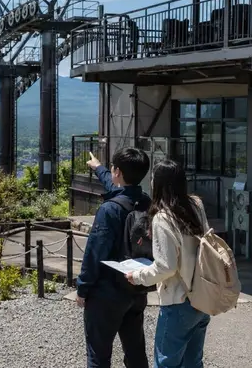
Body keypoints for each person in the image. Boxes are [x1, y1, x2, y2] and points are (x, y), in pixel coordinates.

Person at [126, 159, 211, 368]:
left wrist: (137, 276)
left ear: (158, 184)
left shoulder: (163, 217)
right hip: (202, 297)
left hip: (178, 301)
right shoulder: (196, 205)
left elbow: (166, 266)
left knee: (166, 364)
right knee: (193, 363)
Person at [77, 148, 151, 368]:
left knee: (98, 356)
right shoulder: (146, 203)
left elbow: (95, 252)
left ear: (117, 172)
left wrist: (83, 288)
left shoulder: (109, 210)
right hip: (136, 288)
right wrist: (98, 167)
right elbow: (118, 189)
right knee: (136, 352)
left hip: (106, 294)